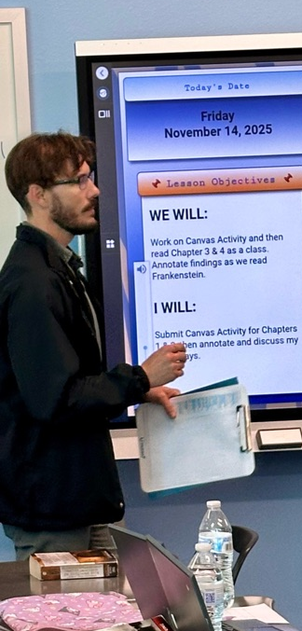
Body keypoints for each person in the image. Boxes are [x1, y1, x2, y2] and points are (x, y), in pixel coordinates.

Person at [0, 132, 187, 559]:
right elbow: (57, 399)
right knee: (64, 627)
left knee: (115, 619)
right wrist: (138, 376)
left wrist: (140, 390)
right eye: (79, 181)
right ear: (38, 195)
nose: (94, 191)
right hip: (53, 511)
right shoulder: (33, 283)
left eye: (91, 178)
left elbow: (75, 379)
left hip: (79, 501)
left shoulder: (59, 269)